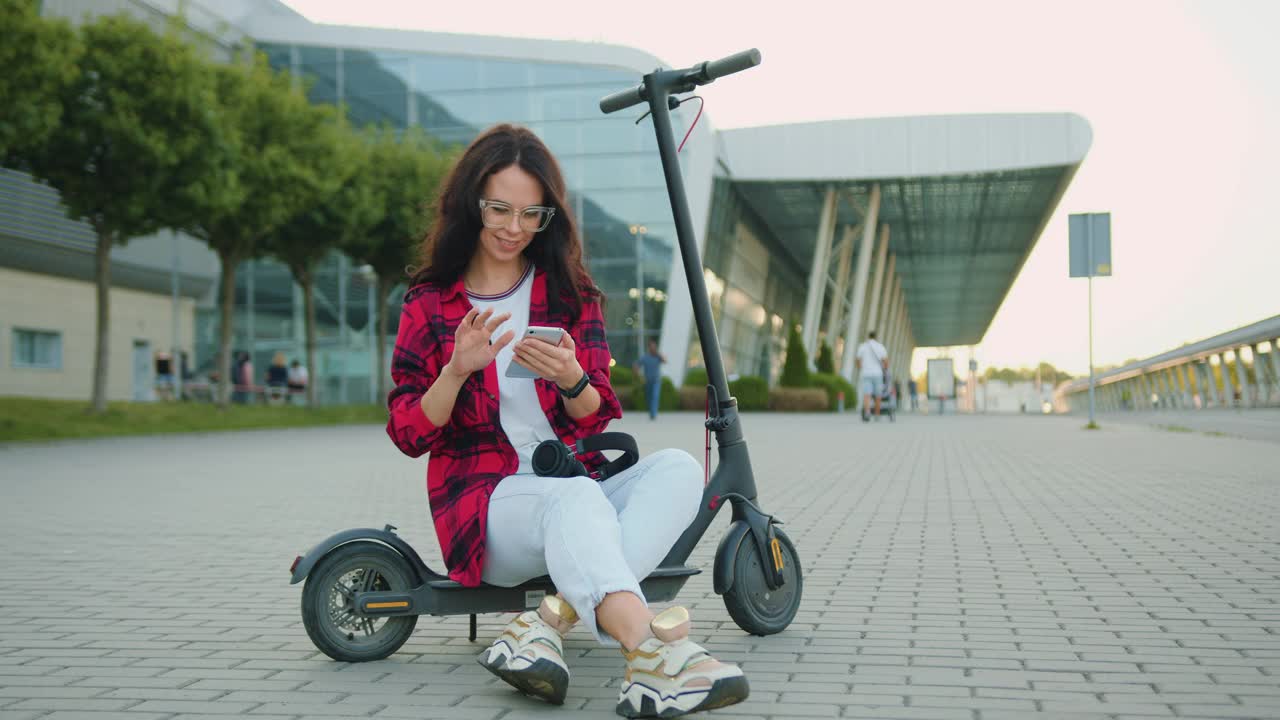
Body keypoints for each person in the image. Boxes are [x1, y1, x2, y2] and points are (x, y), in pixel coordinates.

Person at [385, 124, 747, 717]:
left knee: (679, 470)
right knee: (573, 500)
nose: (513, 228)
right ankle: (653, 656)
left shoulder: (570, 293)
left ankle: (547, 622)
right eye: (499, 209)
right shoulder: (431, 302)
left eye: (532, 215)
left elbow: (598, 409)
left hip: (572, 478)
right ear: (469, 204)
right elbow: (407, 433)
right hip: (486, 504)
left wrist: (570, 375)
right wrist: (454, 372)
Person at [854, 330, 889, 422]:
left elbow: (858, 360)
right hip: (877, 374)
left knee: (867, 394)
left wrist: (861, 368)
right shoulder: (880, 347)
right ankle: (877, 415)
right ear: (876, 337)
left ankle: (867, 412)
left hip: (866, 373)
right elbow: (885, 362)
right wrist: (884, 369)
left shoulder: (863, 346)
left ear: (868, 337)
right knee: (878, 395)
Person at [633, 339, 666, 421]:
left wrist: (658, 354)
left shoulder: (658, 356)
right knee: (648, 398)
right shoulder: (645, 357)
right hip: (647, 381)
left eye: (654, 346)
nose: (653, 348)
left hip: (656, 380)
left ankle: (653, 414)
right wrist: (638, 375)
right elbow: (636, 365)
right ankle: (651, 412)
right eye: (651, 346)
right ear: (649, 347)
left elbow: (665, 361)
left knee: (655, 396)